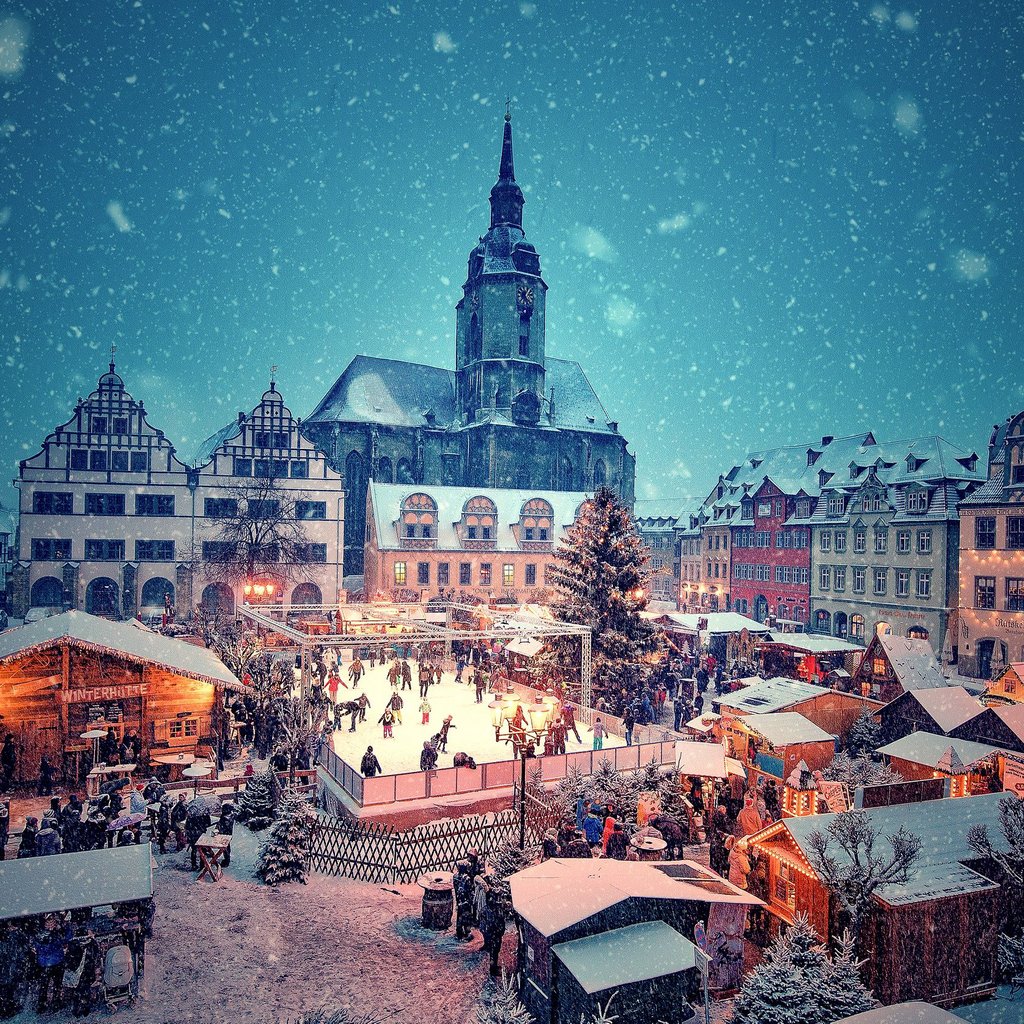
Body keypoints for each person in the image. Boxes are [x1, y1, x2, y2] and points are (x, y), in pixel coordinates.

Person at [32, 914, 72, 1013]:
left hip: (44, 963)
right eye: (50, 923)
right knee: (56, 985)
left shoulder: (39, 934)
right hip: (56, 961)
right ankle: (54, 1004)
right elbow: (66, 938)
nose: (51, 925)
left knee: (44, 985)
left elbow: (36, 947)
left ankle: (42, 1006)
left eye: (52, 923)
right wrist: (66, 927)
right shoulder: (56, 934)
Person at [0, 918, 27, 1017]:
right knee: (8, 990)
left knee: (8, 990)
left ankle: (7, 1008)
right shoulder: (15, 936)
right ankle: (7, 1008)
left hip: (10, 969)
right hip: (9, 969)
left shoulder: (15, 936)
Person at [185, 798, 212, 871]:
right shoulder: (205, 812)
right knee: (202, 850)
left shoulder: (191, 812)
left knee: (194, 850)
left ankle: (194, 865)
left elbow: (187, 825)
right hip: (200, 834)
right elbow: (208, 824)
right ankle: (202, 865)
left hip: (192, 834)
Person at [453, 860, 475, 941]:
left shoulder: (455, 876)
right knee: (467, 916)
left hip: (459, 900)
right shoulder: (467, 878)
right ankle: (467, 932)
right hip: (466, 901)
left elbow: (455, 888)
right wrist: (471, 900)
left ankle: (459, 932)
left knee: (459, 915)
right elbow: (469, 890)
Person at [216, 801, 235, 867]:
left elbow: (223, 826)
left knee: (225, 847)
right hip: (228, 834)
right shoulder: (229, 816)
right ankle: (227, 859)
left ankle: (227, 860)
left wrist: (219, 829)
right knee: (226, 846)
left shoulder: (226, 818)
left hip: (225, 834)